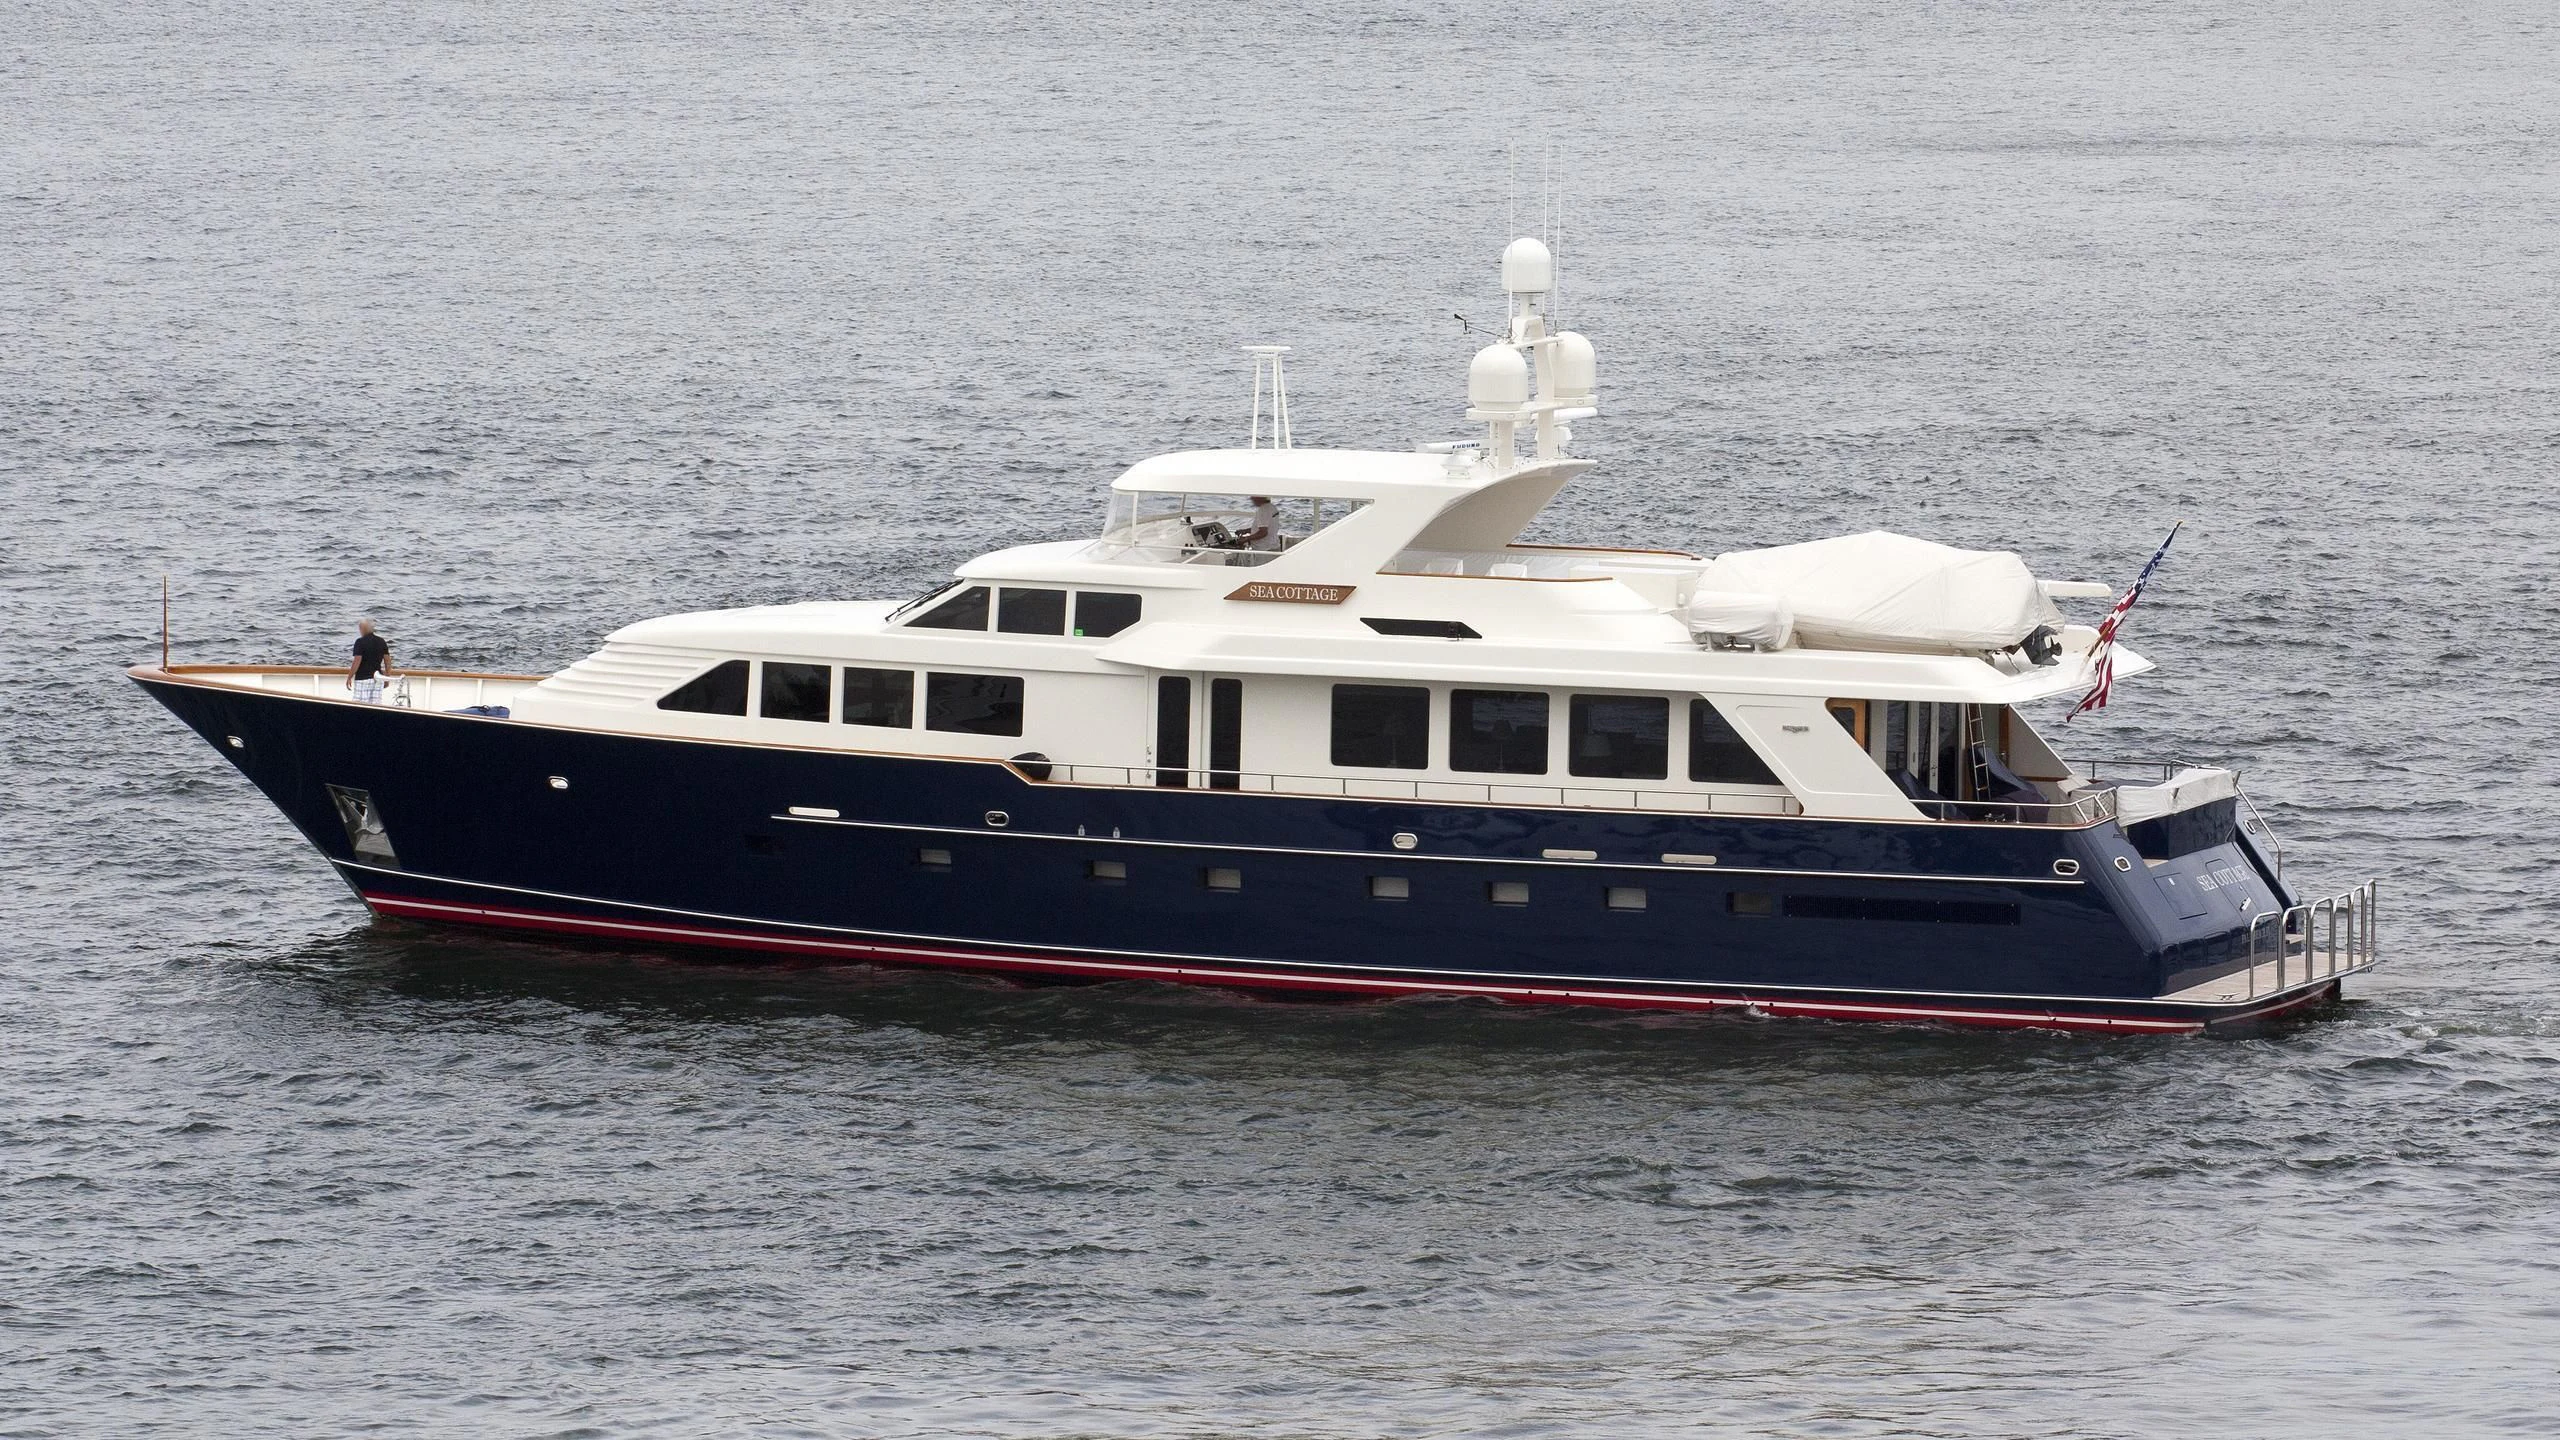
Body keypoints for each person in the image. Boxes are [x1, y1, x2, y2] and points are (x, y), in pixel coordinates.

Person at [347, 619, 391, 703]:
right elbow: (387, 661)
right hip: (378, 678)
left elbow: (357, 661)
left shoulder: (360, 642)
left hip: (363, 678)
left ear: (362, 629)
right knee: (376, 704)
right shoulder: (381, 641)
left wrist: (349, 677)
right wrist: (387, 678)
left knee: (359, 704)